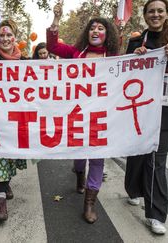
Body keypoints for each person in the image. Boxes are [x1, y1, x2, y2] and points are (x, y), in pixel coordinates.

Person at [47, 2, 119, 224]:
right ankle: (79, 173)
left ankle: (89, 202)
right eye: (92, 28)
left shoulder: (115, 56)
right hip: (78, 114)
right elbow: (53, 47)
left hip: (101, 115)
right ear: (87, 32)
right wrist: (56, 20)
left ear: (107, 34)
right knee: (79, 154)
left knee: (97, 159)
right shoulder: (76, 53)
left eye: (100, 28)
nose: (95, 31)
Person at [124, 0, 168, 235]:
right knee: (138, 154)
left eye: (160, 11)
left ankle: (156, 214)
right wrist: (134, 58)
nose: (156, 14)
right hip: (138, 109)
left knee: (155, 162)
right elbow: (123, 75)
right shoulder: (134, 42)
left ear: (166, 14)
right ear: (145, 15)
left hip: (165, 111)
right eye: (151, 11)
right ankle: (133, 190)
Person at [0, 19, 28, 222]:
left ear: (15, 37)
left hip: (17, 121)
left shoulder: (24, 61)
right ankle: (0, 203)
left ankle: (6, 182)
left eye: (9, 35)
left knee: (10, 159)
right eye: (2, 35)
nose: (6, 38)